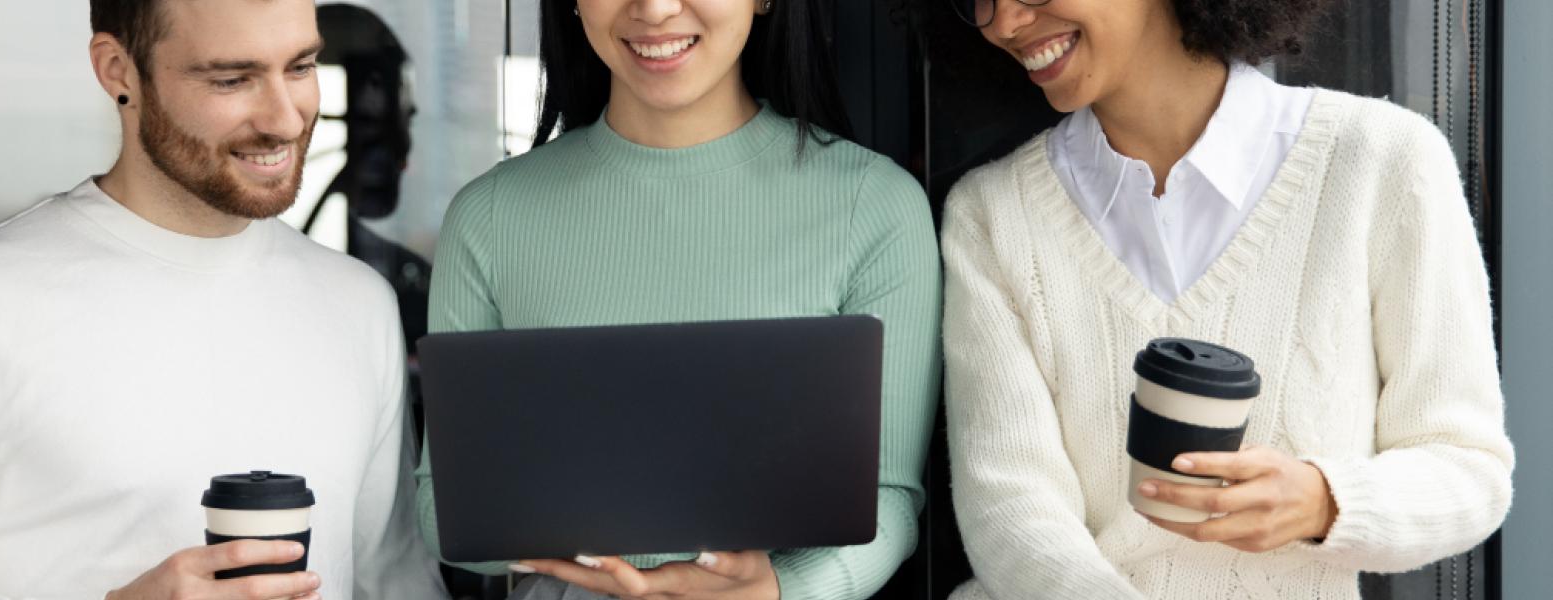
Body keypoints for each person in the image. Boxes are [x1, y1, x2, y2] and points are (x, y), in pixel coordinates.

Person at [0, 1, 447, 598]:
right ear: (117, 69)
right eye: (231, 79)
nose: (284, 117)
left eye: (300, 66)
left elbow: (392, 581)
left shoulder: (358, 306)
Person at [933, 0, 1515, 597]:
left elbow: (1467, 469)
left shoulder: (1380, 161)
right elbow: (1009, 509)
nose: (1003, 22)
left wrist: (1323, 502)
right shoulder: (993, 214)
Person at [415, 0, 941, 598]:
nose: (656, 9)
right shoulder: (487, 219)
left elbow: (889, 501)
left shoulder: (872, 207)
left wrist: (780, 589)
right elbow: (441, 509)